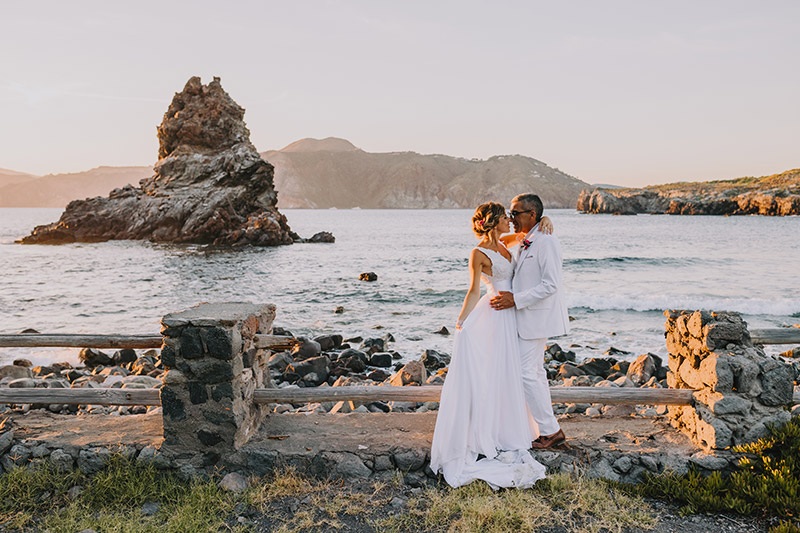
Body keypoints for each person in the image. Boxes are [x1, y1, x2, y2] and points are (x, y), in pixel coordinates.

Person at [430, 202, 549, 489]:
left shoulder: (508, 241)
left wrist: (546, 222)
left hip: (512, 315)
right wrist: (461, 322)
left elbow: (530, 234)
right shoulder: (478, 253)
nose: (510, 221)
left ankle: (505, 427)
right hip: (492, 314)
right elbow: (472, 290)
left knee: (509, 373)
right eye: (505, 218)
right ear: (494, 222)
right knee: (489, 372)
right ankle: (485, 430)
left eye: (511, 217)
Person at [490, 193, 570, 449]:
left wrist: (516, 299)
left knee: (527, 374)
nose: (511, 217)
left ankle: (551, 430)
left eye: (516, 213)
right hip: (525, 318)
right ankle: (546, 429)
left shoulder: (546, 242)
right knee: (535, 373)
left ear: (531, 215)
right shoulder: (529, 237)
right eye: (510, 214)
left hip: (535, 318)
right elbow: (497, 238)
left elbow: (551, 284)